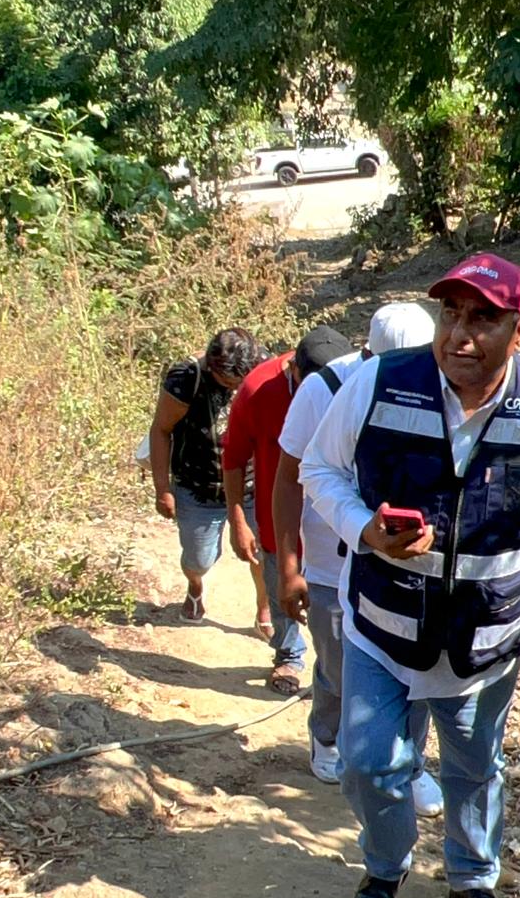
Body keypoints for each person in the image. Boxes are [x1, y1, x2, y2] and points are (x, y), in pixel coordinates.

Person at [300, 254, 520, 898]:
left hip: (484, 642)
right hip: (381, 626)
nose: (459, 335)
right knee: (369, 762)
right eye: (450, 313)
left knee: (474, 768)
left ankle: (473, 881)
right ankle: (384, 868)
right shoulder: (379, 383)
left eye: (483, 319)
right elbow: (319, 468)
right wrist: (363, 530)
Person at [273, 303, 443, 818]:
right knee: (337, 665)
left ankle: (410, 764)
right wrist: (288, 567)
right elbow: (289, 478)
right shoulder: (322, 389)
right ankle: (327, 736)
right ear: (366, 355)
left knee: (412, 668)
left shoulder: (442, 386)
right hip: (331, 560)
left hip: (408, 562)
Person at [224, 324, 353, 694]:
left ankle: (341, 672)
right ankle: (288, 654)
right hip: (278, 519)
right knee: (281, 586)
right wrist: (237, 519)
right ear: (293, 368)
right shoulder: (257, 390)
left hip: (337, 523)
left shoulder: (357, 386)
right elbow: (233, 457)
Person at [148, 328, 269, 625]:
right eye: (229, 383)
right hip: (198, 485)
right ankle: (195, 585)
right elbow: (161, 430)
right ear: (213, 369)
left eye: (243, 382)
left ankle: (265, 609)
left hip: (253, 485)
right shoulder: (186, 378)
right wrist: (162, 489)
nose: (237, 389)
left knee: (265, 554)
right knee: (199, 560)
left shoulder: (266, 370)